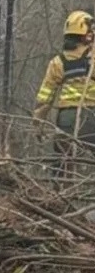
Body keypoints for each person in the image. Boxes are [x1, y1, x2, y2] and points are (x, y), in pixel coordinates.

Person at [34, 10, 95, 176]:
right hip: (92, 116)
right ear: (87, 35)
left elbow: (45, 98)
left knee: (62, 163)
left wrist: (38, 123)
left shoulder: (58, 62)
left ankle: (58, 188)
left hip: (66, 120)